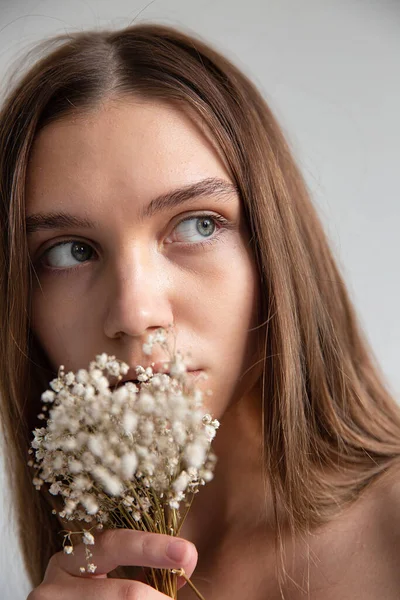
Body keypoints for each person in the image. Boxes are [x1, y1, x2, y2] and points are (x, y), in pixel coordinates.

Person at [0, 22, 399, 600]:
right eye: (70, 252)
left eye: (197, 224)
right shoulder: (85, 576)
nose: (135, 313)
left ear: (273, 249)